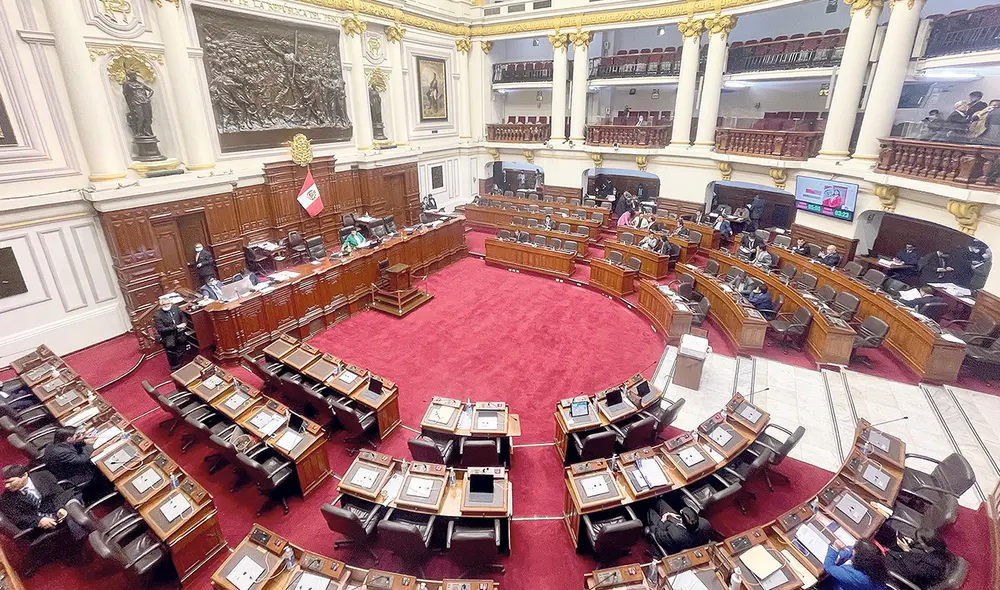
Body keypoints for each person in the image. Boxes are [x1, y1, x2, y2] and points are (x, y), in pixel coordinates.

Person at [0, 465, 80, 538]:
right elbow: (18, 518)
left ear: (24, 475)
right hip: (39, 527)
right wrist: (39, 520)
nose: (7, 486)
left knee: (73, 511)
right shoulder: (6, 499)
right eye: (5, 483)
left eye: (11, 482)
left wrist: (60, 508)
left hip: (57, 510)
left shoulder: (43, 476)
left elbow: (58, 494)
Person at [884, 532, 954, 588]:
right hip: (935, 571)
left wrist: (908, 552)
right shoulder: (944, 557)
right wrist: (908, 551)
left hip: (931, 574)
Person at [645, 500, 712, 555]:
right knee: (660, 502)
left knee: (650, 511)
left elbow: (658, 535)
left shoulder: (674, 536)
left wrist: (662, 520)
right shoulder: (705, 524)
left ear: (681, 521)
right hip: (684, 535)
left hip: (672, 542)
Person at [824, 539, 889, 590]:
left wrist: (835, 548)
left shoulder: (856, 576)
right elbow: (850, 551)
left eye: (854, 548)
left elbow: (828, 567)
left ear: (859, 557)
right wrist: (843, 553)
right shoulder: (874, 563)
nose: (852, 548)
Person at [154, 295, 188, 370]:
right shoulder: (158, 315)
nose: (166, 305)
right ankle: (175, 368)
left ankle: (181, 365)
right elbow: (161, 329)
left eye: (168, 304)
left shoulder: (175, 308)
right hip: (169, 337)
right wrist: (176, 327)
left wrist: (184, 323)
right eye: (164, 304)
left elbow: (182, 316)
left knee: (182, 350)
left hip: (180, 334)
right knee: (172, 354)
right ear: (161, 305)